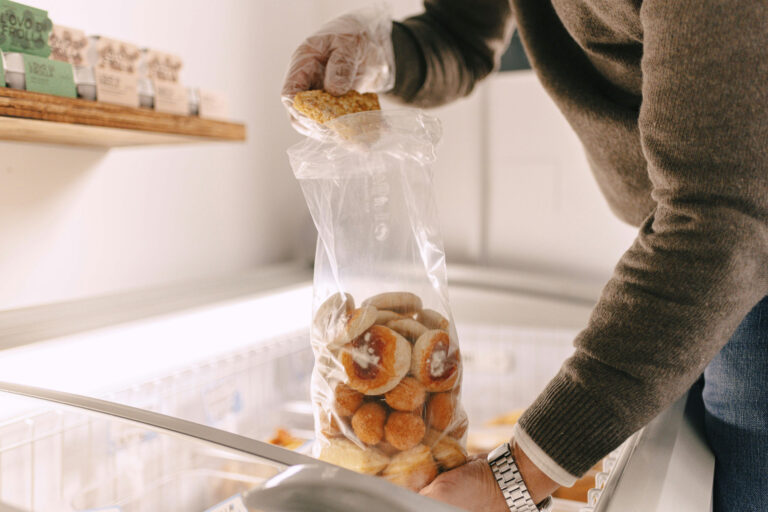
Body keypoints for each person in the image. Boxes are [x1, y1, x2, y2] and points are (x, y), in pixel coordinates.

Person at [282, 1, 768, 510]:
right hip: (704, 238)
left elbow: (724, 225)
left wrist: (511, 479)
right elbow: (461, 33)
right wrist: (385, 52)